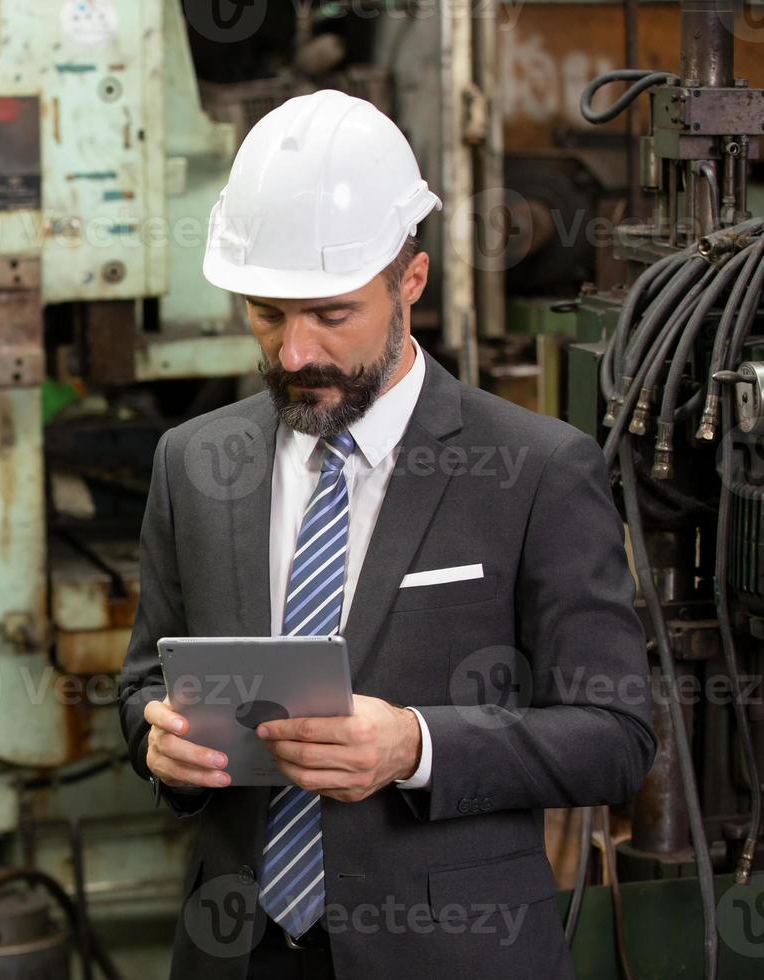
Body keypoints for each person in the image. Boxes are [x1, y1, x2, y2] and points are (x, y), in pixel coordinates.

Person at [118, 90, 654, 979]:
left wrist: (416, 744)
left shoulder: (534, 469)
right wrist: (156, 744)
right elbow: (142, 682)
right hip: (238, 952)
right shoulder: (193, 462)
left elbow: (615, 738)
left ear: (410, 280)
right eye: (267, 313)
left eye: (331, 316)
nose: (294, 353)